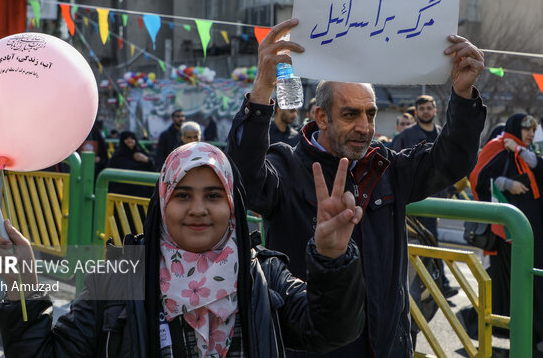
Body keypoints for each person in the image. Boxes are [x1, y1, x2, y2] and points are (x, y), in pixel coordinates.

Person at [226, 18, 486, 357]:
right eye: (350, 115)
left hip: (386, 345)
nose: (364, 127)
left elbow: (450, 160)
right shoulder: (286, 167)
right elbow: (243, 179)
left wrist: (464, 95)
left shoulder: (387, 167)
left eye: (371, 113)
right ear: (321, 116)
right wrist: (262, 89)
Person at [0, 142, 366, 357]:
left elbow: (332, 329)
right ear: (163, 203)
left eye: (214, 196)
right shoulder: (120, 278)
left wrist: (333, 259)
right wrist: (23, 288)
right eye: (183, 195)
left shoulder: (264, 273)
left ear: (232, 205)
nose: (198, 209)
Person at [468, 113, 543, 348]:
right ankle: (523, 339)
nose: (531, 133)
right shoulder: (497, 146)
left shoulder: (524, 152)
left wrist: (520, 151)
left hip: (533, 231)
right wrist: (505, 183)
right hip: (509, 235)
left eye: (534, 129)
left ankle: (533, 337)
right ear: (513, 127)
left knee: (532, 283)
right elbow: (478, 177)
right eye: (526, 129)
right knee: (516, 286)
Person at [391, 95, 457, 298]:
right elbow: (395, 162)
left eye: (429, 108)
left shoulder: (441, 134)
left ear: (435, 110)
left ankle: (439, 283)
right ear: (416, 112)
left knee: (432, 242)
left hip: (435, 199)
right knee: (411, 245)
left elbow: (449, 164)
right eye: (422, 108)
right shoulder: (406, 135)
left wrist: (450, 189)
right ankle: (412, 290)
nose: (426, 111)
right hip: (413, 201)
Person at [107, 131, 156, 198]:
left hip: (142, 194)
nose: (130, 140)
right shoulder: (117, 157)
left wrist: (147, 160)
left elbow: (153, 166)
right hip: (123, 195)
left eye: (132, 138)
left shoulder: (141, 153)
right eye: (126, 139)